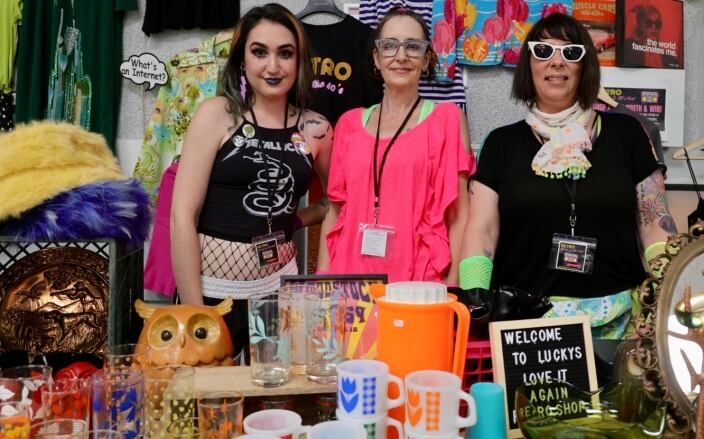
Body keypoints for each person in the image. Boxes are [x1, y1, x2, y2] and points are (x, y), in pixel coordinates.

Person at [459, 14, 676, 339]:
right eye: (543, 51)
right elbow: (482, 227)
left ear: (584, 66)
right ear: (528, 65)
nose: (556, 63)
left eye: (571, 53)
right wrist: (473, 292)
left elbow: (654, 221)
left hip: (620, 325)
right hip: (524, 325)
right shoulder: (500, 143)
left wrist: (666, 285)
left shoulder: (627, 134)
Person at [171, 4, 332, 351]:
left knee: (273, 399)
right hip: (211, 294)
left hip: (279, 294)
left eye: (285, 54)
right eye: (260, 52)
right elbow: (182, 216)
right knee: (211, 400)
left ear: (299, 62)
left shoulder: (317, 129)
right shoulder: (217, 115)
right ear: (242, 60)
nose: (272, 66)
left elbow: (337, 202)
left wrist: (302, 218)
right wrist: (196, 312)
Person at [318, 7, 474, 284]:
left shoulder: (447, 119)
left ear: (426, 60)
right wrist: (320, 285)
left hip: (418, 282)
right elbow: (335, 212)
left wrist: (453, 289)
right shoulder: (349, 123)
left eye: (413, 46)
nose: (401, 56)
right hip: (348, 281)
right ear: (376, 58)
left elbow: (459, 217)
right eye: (389, 46)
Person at [622, 2, 679, 69]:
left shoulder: (671, 60)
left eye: (657, 23)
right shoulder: (628, 48)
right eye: (648, 22)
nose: (654, 27)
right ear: (640, 25)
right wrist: (629, 9)